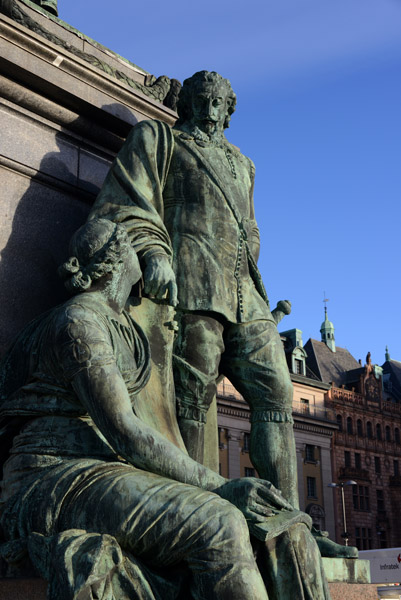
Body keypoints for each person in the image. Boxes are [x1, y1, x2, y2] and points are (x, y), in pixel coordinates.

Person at [0, 218, 331, 599]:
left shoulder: (120, 323)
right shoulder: (79, 323)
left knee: (280, 528)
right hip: (54, 477)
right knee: (220, 522)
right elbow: (124, 429)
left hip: (104, 470)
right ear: (122, 256)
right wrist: (223, 486)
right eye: (135, 246)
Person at [89, 70, 300, 509]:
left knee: (277, 390)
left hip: (246, 296)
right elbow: (128, 201)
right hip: (194, 289)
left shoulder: (244, 165)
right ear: (187, 104)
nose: (210, 109)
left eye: (219, 102)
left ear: (229, 109)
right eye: (201, 99)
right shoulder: (160, 139)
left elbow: (252, 228)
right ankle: (192, 501)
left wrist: (247, 258)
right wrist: (155, 254)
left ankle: (290, 519)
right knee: (192, 393)